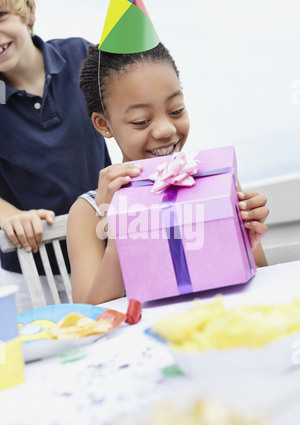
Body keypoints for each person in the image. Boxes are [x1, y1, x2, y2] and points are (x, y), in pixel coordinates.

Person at [67, 42, 269, 306]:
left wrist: (247, 239)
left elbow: (261, 282)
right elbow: (86, 319)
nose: (165, 129)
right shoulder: (89, 211)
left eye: (176, 110)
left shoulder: (214, 182)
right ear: (104, 124)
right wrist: (119, 235)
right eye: (141, 121)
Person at [0, 0, 111, 313]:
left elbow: (130, 115)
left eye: (1, 15)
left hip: (105, 250)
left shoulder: (79, 56)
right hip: (30, 271)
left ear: (29, 13)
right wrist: (11, 216)